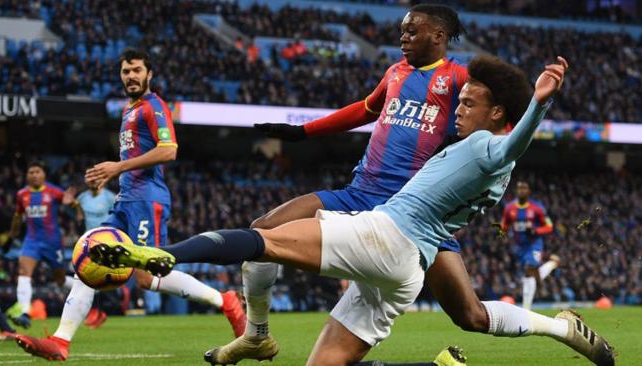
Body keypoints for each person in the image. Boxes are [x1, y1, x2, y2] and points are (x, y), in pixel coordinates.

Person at [92, 56, 613, 366]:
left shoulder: (488, 148)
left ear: (498, 113)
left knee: (263, 239)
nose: (459, 110)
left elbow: (509, 146)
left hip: (385, 236)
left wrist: (540, 103)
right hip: (406, 268)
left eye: (469, 103)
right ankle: (546, 334)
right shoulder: (478, 153)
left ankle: (167, 255)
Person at [220, 4, 470, 364]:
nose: (403, 36)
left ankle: (561, 330)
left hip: (412, 212)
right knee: (262, 228)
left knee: (469, 315)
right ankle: (256, 334)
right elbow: (364, 110)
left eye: (412, 31)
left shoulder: (460, 79)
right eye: (402, 29)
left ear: (439, 36)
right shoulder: (396, 72)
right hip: (360, 193)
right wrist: (302, 132)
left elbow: (497, 119)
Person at [14, 48, 246, 361]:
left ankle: (226, 301)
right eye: (126, 71)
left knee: (147, 277)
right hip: (125, 201)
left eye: (137, 70)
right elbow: (135, 158)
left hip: (148, 200)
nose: (131, 76)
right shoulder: (129, 108)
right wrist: (110, 176)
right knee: (89, 256)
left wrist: (117, 168)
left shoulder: (154, 106)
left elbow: (169, 150)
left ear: (149, 74)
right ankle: (60, 341)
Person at [8, 160, 78, 329]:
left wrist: (73, 205)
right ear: (26, 176)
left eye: (37, 172)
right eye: (31, 172)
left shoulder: (53, 191)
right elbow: (18, 216)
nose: (34, 175)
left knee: (59, 279)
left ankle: (86, 287)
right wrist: (12, 234)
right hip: (31, 241)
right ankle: (25, 313)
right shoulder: (22, 195)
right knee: (24, 272)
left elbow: (74, 204)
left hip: (52, 242)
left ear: (44, 174)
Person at [501, 180, 560, 309]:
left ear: (528, 191)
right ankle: (552, 264)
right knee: (528, 275)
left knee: (529, 269)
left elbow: (549, 226)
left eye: (524, 188)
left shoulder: (537, 208)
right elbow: (504, 225)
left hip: (534, 244)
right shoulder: (510, 208)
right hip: (520, 247)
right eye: (519, 188)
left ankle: (527, 307)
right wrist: (502, 232)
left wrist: (535, 230)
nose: (521, 190)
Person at [74, 181, 117, 328]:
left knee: (98, 277)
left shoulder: (110, 197)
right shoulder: (82, 198)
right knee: (90, 277)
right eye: (90, 178)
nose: (93, 181)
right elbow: (79, 219)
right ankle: (97, 312)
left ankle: (98, 312)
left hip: (106, 240)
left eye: (96, 178)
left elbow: (117, 216)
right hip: (88, 241)